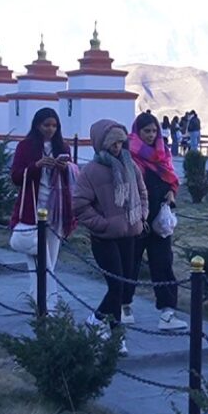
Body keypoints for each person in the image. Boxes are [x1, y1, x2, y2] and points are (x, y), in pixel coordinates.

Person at [73, 119, 148, 355]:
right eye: (112, 144)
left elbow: (142, 192)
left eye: (120, 143)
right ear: (101, 144)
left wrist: (142, 215)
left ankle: (97, 320)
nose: (117, 148)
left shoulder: (130, 165)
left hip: (130, 234)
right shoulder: (91, 171)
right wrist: (103, 225)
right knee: (115, 286)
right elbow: (80, 205)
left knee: (125, 287)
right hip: (105, 238)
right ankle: (116, 335)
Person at [123, 112, 188, 330]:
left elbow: (171, 178)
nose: (151, 135)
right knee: (129, 263)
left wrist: (172, 192)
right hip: (135, 218)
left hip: (159, 219)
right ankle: (124, 306)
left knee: (163, 263)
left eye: (153, 131)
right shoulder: (128, 153)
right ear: (137, 132)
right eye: (146, 131)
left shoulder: (163, 153)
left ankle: (167, 313)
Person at [10, 107, 77, 306]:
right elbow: (15, 176)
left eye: (54, 125)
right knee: (40, 257)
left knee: (50, 259)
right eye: (46, 125)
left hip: (57, 209)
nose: (50, 129)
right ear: (37, 125)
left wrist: (66, 168)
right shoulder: (25, 147)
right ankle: (50, 302)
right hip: (33, 207)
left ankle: (37, 296)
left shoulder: (63, 148)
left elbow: (73, 174)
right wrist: (36, 166)